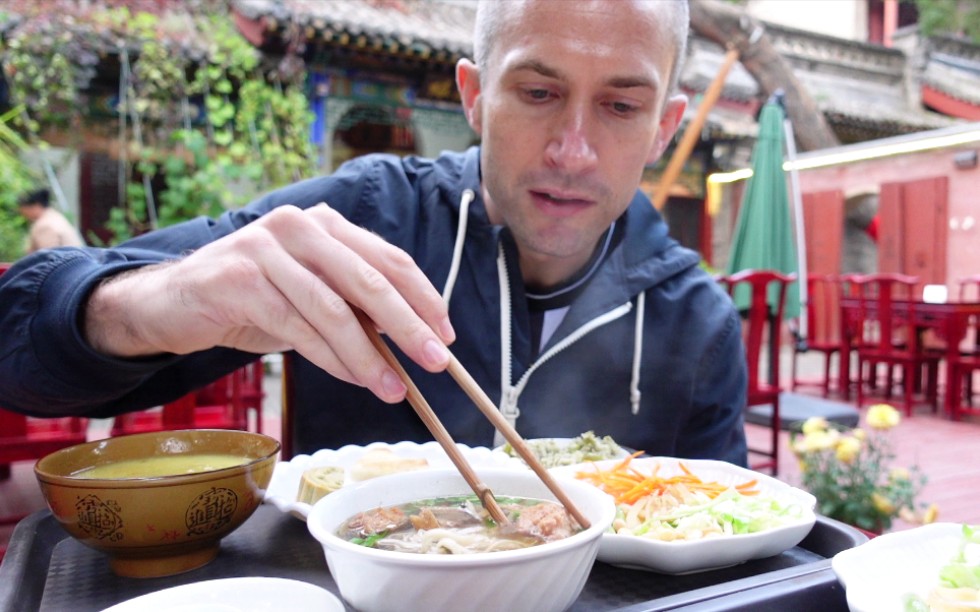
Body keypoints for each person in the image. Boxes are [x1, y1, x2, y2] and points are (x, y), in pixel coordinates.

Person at [0, 0, 748, 464]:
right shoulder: (363, 221)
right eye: (538, 92)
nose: (572, 150)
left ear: (663, 128)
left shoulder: (697, 321)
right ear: (476, 97)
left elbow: (722, 554)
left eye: (621, 107)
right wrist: (145, 303)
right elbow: (18, 341)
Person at [16, 188, 85, 253]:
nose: (23, 215)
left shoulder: (44, 225)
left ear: (36, 206)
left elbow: (48, 258)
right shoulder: (55, 217)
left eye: (24, 210)